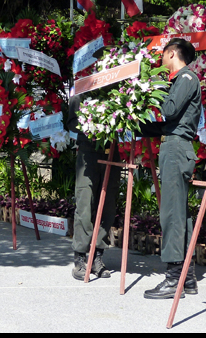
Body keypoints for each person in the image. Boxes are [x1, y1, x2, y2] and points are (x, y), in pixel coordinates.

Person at [136, 38, 201, 299]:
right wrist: (138, 126)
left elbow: (170, 111)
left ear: (172, 53)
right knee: (179, 214)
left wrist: (151, 88)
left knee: (172, 214)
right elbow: (167, 125)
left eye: (163, 55)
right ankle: (188, 277)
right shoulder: (182, 81)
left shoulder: (185, 79)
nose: (160, 60)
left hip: (176, 150)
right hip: (173, 146)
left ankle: (174, 278)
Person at [67, 92, 122, 281]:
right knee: (85, 203)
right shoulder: (82, 91)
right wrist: (93, 121)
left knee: (107, 205)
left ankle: (98, 256)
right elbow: (71, 122)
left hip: (111, 151)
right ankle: (80, 258)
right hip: (88, 153)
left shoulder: (117, 88)